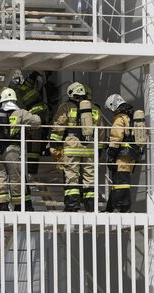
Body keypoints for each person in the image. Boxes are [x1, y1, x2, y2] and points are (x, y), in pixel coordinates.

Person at [49, 81, 105, 212]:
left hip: (72, 145)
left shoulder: (66, 107)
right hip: (90, 147)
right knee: (89, 177)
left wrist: (54, 143)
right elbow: (101, 130)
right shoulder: (95, 109)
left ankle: (72, 206)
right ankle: (91, 207)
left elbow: (58, 125)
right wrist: (99, 148)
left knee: (71, 175)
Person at [0, 87, 42, 211]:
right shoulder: (21, 113)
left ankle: (1, 205)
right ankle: (19, 205)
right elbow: (37, 122)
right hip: (12, 150)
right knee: (16, 177)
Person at [104, 93, 142, 212]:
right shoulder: (131, 116)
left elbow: (116, 137)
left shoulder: (120, 118)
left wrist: (110, 154)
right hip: (132, 155)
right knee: (119, 180)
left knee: (121, 181)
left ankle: (123, 207)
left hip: (122, 154)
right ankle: (110, 207)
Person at [8, 70, 49, 174]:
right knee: (35, 141)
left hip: (35, 112)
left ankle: (31, 170)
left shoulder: (16, 91)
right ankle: (31, 169)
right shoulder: (24, 87)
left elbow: (20, 110)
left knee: (34, 141)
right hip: (38, 110)